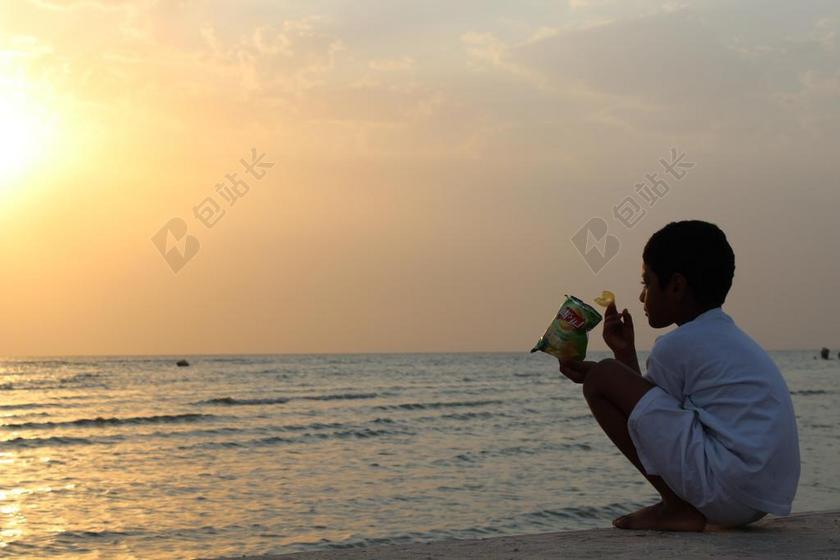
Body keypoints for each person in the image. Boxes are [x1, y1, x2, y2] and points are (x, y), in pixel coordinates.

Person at [559, 220, 800, 531]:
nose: (642, 297)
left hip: (728, 490)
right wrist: (625, 355)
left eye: (646, 283)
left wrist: (604, 375)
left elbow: (646, 426)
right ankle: (676, 503)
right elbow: (655, 415)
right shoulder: (728, 337)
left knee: (601, 378)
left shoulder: (677, 345)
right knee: (608, 375)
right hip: (756, 497)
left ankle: (676, 506)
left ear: (676, 286)